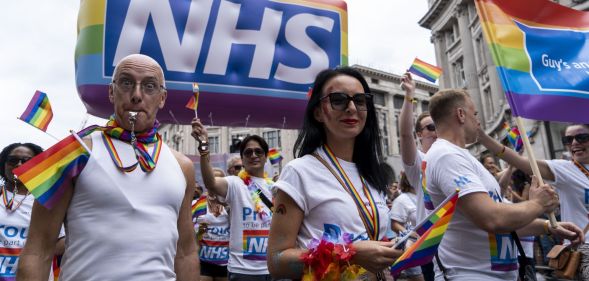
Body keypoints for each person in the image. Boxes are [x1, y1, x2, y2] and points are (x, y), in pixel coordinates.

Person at [17, 54, 198, 281]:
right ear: (111, 92)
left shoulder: (182, 167)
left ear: (162, 98)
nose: (136, 95)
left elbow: (185, 252)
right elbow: (38, 249)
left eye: (149, 86)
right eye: (126, 83)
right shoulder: (72, 153)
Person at [424, 88, 583, 280]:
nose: (478, 120)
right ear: (461, 114)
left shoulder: (464, 157)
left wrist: (548, 226)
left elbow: (505, 224)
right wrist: (537, 204)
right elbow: (493, 219)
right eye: (475, 114)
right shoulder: (446, 156)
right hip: (471, 275)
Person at [266, 66, 402, 280]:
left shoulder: (372, 174)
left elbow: (371, 236)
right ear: (318, 112)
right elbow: (276, 261)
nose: (351, 108)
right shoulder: (299, 171)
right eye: (338, 100)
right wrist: (351, 254)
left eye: (359, 100)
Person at [478, 123, 589, 280]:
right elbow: (520, 161)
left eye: (582, 137)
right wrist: (482, 137)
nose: (574, 143)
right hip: (584, 247)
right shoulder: (567, 169)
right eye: (568, 139)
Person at [190, 122, 274, 281]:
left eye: (258, 151)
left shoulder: (275, 188)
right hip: (242, 271)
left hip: (271, 269)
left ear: (265, 156)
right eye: (248, 152)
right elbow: (211, 183)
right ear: (242, 158)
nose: (254, 155)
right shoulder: (235, 183)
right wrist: (204, 146)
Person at [0, 143, 65, 281]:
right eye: (12, 160)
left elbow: (60, 245)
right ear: (3, 165)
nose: (19, 164)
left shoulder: (48, 199)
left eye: (27, 161)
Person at [399, 72, 437, 281]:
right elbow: (404, 135)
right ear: (420, 134)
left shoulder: (453, 157)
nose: (436, 131)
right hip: (431, 245)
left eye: (438, 126)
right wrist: (409, 95)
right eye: (430, 127)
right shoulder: (419, 161)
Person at [389, 173, 424, 281]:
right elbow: (394, 224)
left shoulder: (423, 196)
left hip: (426, 244)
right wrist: (410, 234)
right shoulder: (402, 199)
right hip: (412, 247)